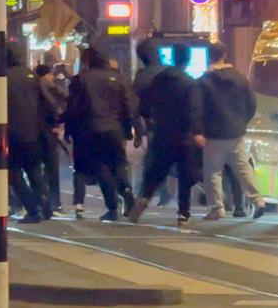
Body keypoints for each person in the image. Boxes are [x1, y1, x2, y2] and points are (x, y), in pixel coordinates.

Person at [129, 44, 202, 225]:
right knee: (185, 174)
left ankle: (144, 198)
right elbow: (194, 110)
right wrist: (197, 131)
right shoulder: (189, 82)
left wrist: (150, 119)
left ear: (172, 58)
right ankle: (183, 213)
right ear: (187, 60)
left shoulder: (159, 79)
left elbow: (144, 103)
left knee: (156, 170)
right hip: (183, 134)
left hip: (161, 131)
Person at [66, 48, 137, 221]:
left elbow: (73, 108)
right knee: (119, 164)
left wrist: (70, 130)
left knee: (101, 167)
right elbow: (128, 106)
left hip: (90, 129)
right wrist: (128, 129)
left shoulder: (80, 79)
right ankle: (128, 195)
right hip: (115, 129)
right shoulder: (119, 79)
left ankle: (113, 206)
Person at [196, 42, 266, 221]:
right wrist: (242, 122)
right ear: (225, 55)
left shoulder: (205, 80)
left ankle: (216, 208)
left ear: (209, 56)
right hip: (236, 131)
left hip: (213, 133)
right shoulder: (240, 78)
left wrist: (199, 129)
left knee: (212, 172)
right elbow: (252, 103)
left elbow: (198, 107)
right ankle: (257, 200)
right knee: (242, 167)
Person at [6, 43, 51, 224]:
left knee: (14, 174)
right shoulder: (32, 76)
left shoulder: (3, 76)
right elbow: (46, 102)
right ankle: (45, 205)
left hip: (11, 132)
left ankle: (32, 209)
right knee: (34, 172)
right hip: (33, 131)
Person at [133, 38, 174, 206]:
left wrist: (137, 126)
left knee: (153, 159)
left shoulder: (142, 75)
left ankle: (146, 194)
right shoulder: (170, 71)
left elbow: (136, 103)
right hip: (175, 121)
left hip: (153, 123)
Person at [36, 64, 68, 213]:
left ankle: (45, 200)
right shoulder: (46, 90)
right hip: (47, 133)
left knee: (40, 169)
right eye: (49, 75)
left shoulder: (40, 89)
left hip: (39, 133)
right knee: (50, 169)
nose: (52, 77)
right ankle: (53, 202)